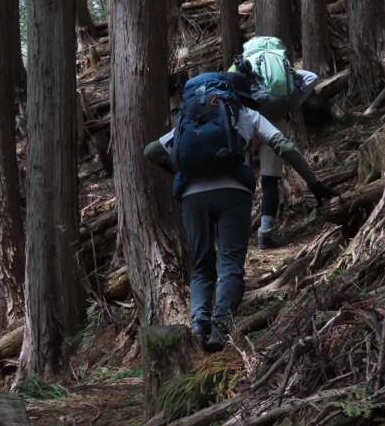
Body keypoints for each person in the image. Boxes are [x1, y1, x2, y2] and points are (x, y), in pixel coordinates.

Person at [144, 71, 336, 352]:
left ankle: (199, 325)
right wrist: (314, 183)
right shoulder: (245, 113)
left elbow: (151, 151)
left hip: (192, 196)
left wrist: (179, 172)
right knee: (230, 266)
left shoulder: (193, 116)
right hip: (234, 194)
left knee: (201, 266)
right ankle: (220, 329)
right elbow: (284, 145)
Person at [232, 51, 320, 250]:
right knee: (270, 180)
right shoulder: (279, 73)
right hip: (276, 123)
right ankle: (265, 233)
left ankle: (238, 235)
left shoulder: (239, 64)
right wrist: (289, 77)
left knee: (241, 180)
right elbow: (312, 77)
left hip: (245, 122)